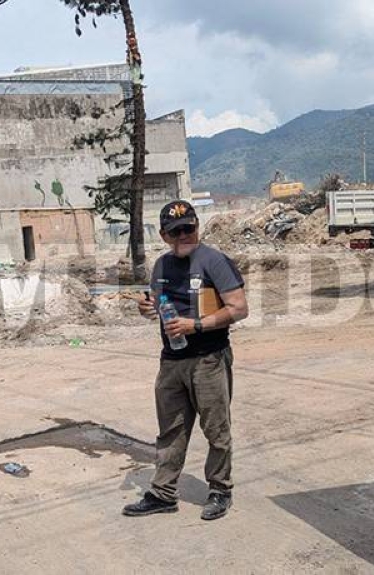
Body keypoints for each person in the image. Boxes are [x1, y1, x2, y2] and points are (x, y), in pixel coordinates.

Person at [123, 200, 249, 521]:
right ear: (165, 236)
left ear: (197, 226)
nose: (184, 235)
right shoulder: (162, 266)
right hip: (171, 361)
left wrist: (196, 325)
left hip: (208, 359)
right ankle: (164, 493)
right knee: (170, 430)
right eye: (176, 231)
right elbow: (158, 305)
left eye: (189, 228)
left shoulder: (214, 261)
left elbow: (238, 308)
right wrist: (147, 309)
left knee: (216, 429)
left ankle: (220, 489)